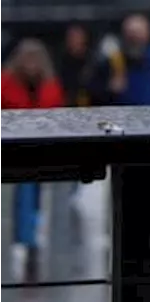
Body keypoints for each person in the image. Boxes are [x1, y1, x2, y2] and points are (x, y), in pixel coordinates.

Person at [0, 38, 67, 282]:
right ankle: (20, 244)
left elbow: (56, 113)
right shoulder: (4, 83)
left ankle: (34, 244)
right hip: (10, 155)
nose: (30, 64)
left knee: (41, 202)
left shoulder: (50, 85)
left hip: (43, 155)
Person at [88, 13, 150, 106]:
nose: (134, 38)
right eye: (130, 33)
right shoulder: (111, 62)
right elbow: (94, 96)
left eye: (138, 32)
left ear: (148, 34)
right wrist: (109, 90)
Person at [57, 23, 96, 108]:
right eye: (71, 37)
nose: (74, 40)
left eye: (78, 37)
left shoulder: (94, 61)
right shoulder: (59, 62)